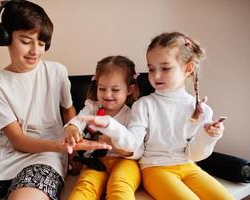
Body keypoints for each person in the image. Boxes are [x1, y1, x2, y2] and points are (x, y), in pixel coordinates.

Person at [0, 1, 110, 200]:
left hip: (48, 155)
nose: (35, 51)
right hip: (5, 154)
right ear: (5, 37)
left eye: (41, 44)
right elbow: (16, 140)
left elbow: (69, 111)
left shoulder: (57, 72)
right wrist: (62, 146)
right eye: (26, 41)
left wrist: (71, 152)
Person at [80, 32, 234, 200]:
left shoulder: (202, 109)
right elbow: (132, 144)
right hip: (155, 168)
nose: (155, 75)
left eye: (165, 68)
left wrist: (208, 136)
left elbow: (194, 155)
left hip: (189, 166)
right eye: (151, 69)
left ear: (188, 68)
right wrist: (110, 124)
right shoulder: (144, 105)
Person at [64, 55, 141, 200]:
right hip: (96, 161)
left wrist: (116, 146)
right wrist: (72, 127)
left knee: (120, 185)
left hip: (126, 162)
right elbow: (79, 120)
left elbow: (137, 149)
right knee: (85, 186)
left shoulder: (132, 115)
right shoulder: (91, 107)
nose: (107, 94)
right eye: (102, 88)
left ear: (129, 89)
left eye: (115, 89)